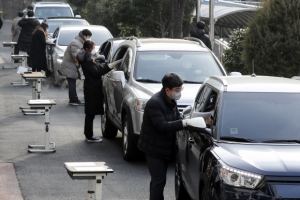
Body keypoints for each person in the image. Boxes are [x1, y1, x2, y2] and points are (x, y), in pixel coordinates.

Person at [137, 72, 199, 200]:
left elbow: (177, 117)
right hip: (153, 148)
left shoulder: (170, 101)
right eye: (177, 90)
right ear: (167, 90)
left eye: (180, 89)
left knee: (157, 181)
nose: (179, 92)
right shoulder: (155, 103)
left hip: (163, 147)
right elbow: (162, 126)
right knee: (159, 181)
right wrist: (184, 123)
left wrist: (189, 120)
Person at [76, 40, 115, 142]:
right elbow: (97, 73)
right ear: (88, 49)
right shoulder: (87, 61)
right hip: (91, 89)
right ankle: (89, 135)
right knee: (90, 112)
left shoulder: (89, 59)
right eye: (93, 48)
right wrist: (109, 67)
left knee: (91, 113)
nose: (95, 50)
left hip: (92, 87)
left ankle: (89, 134)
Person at [60, 29, 92, 106]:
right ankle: (73, 100)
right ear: (84, 36)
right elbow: (77, 56)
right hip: (70, 67)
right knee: (72, 83)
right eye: (88, 37)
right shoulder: (76, 43)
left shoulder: (79, 42)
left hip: (71, 66)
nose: (89, 39)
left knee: (72, 83)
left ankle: (73, 99)